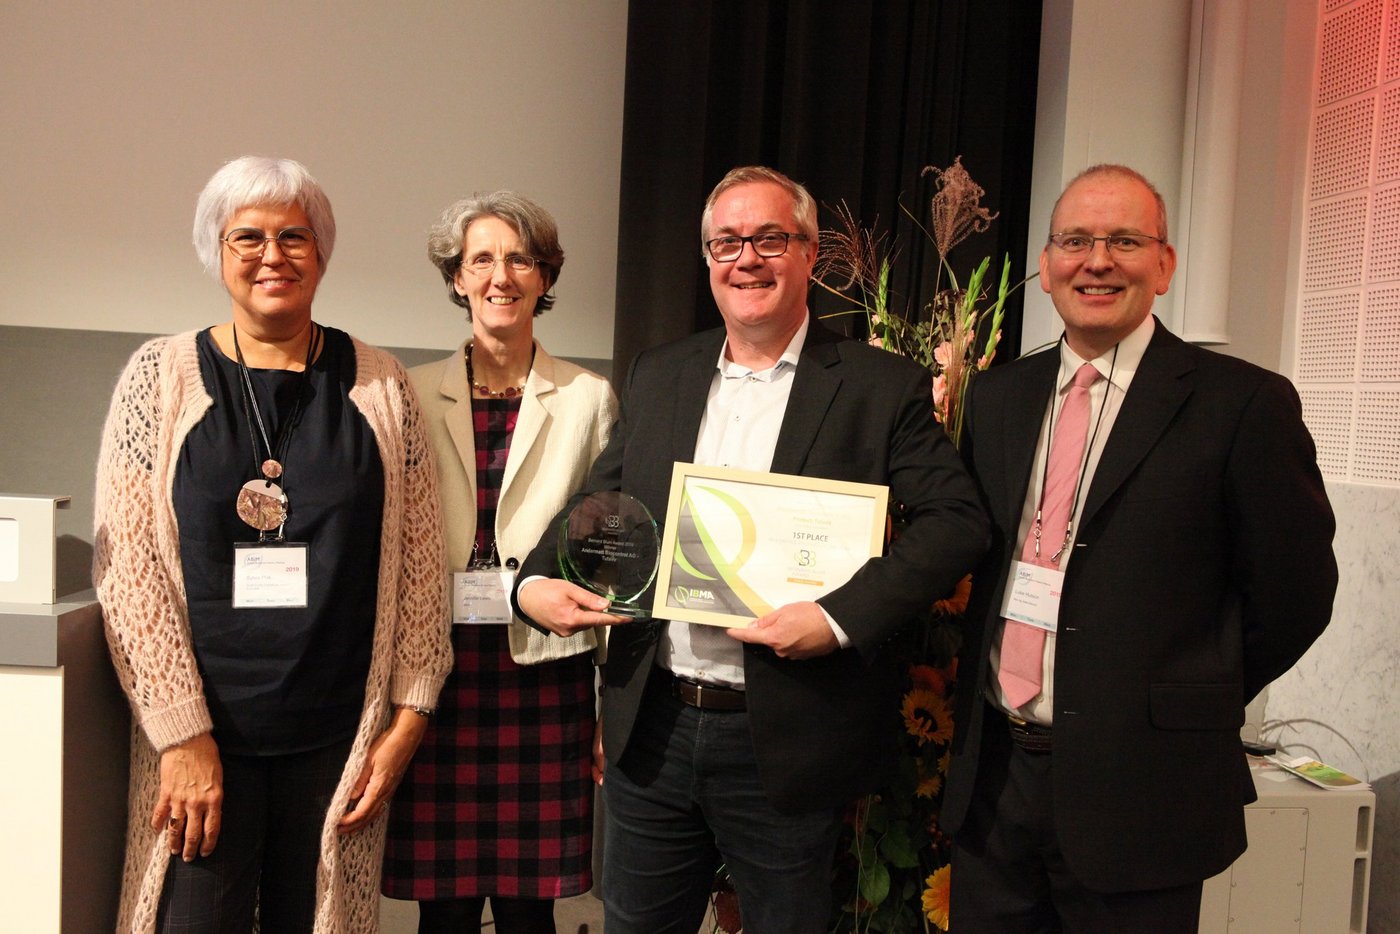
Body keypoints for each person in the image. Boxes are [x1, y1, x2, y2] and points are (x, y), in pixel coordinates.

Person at [515, 165, 989, 933]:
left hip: (789, 736)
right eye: (727, 242)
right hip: (656, 724)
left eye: (771, 238)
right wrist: (534, 582)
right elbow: (602, 503)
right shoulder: (661, 372)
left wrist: (837, 618)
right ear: (707, 261)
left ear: (810, 254)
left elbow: (957, 522)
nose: (748, 258)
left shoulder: (878, 386)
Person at [941, 164, 1339, 931]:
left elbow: (1294, 597)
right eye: (1075, 241)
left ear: (1164, 264)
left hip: (1144, 789)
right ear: (1048, 265)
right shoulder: (997, 397)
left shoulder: (1242, 403)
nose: (1097, 261)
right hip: (995, 781)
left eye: (1124, 240)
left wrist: (1183, 693)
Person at [92, 156, 453, 933]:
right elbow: (127, 571)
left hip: (337, 736)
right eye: (246, 236)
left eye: (294, 235)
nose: (272, 255)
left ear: (321, 252)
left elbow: (424, 563)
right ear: (216, 253)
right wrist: (182, 737)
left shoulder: (381, 385)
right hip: (204, 740)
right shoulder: (158, 378)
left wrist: (406, 722)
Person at [381, 192, 617, 933]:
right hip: (437, 679)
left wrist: (613, 705)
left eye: (520, 259)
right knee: (442, 913)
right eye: (481, 258)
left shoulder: (588, 397)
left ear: (545, 276)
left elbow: (606, 552)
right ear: (456, 278)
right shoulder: (409, 392)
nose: (500, 275)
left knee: (528, 912)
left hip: (544, 680)